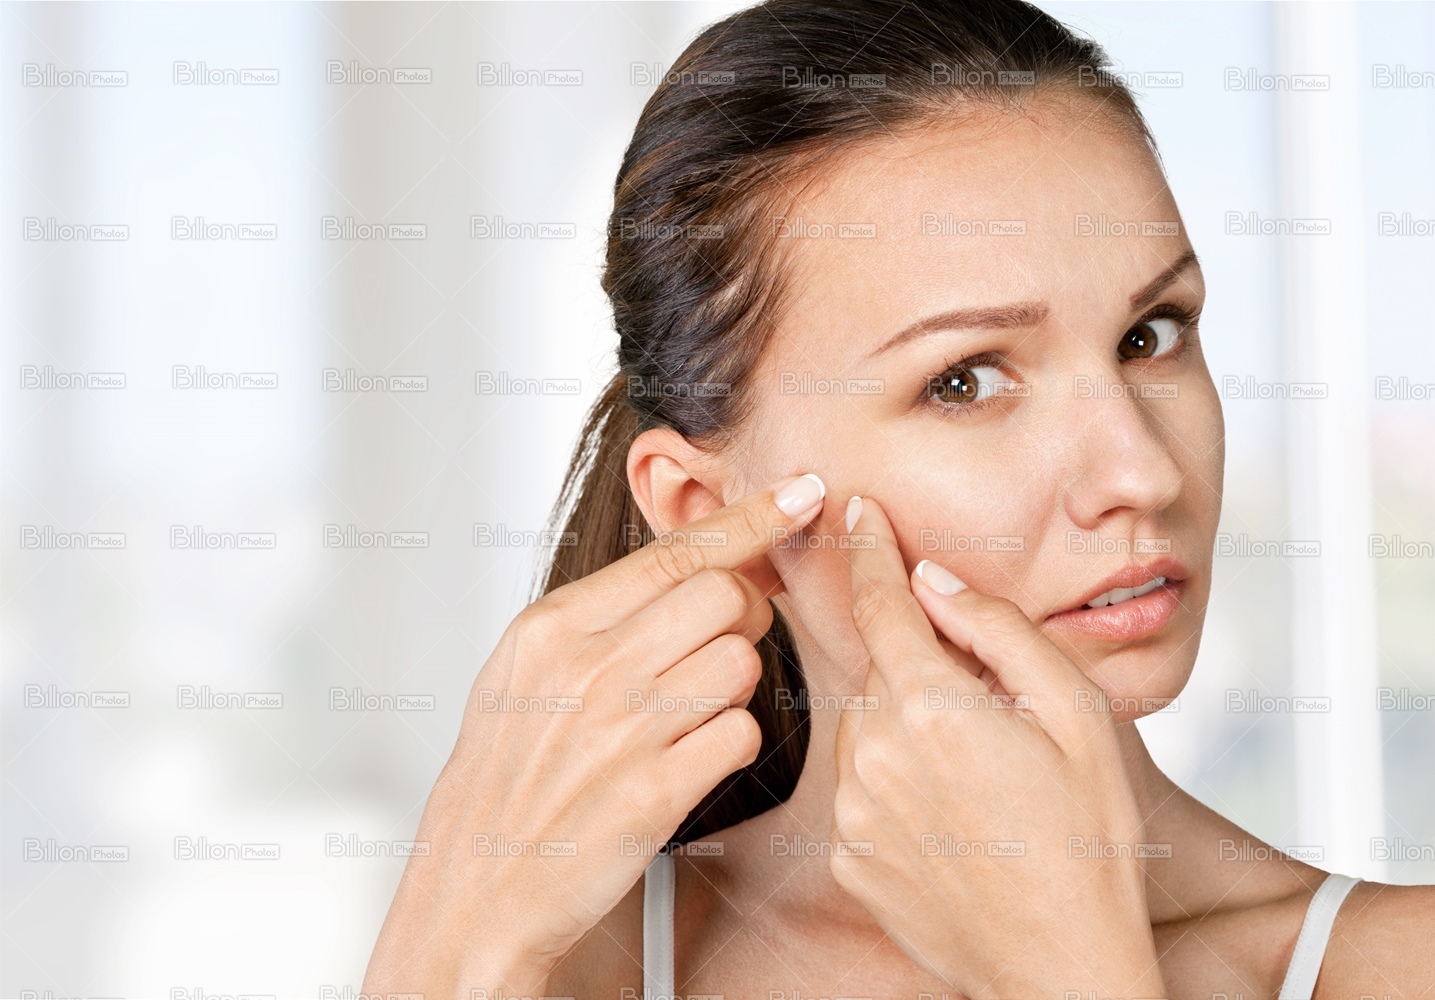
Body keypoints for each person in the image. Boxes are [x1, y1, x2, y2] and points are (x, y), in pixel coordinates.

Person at [363, 0, 1434, 996]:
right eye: (962, 381)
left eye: (1148, 336)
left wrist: (1066, 967)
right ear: (702, 510)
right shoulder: (559, 966)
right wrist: (443, 940)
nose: (1143, 474)